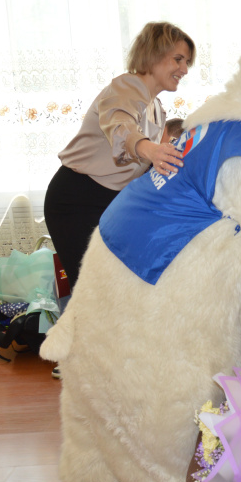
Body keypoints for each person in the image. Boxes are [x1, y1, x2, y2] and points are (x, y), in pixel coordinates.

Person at [44, 22, 195, 286]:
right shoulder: (125, 88)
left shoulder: (156, 109)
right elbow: (120, 126)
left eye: (187, 62)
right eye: (178, 59)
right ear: (155, 54)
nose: (184, 69)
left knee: (121, 287)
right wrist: (151, 149)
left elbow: (144, 165)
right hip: (76, 200)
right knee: (93, 290)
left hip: (111, 201)